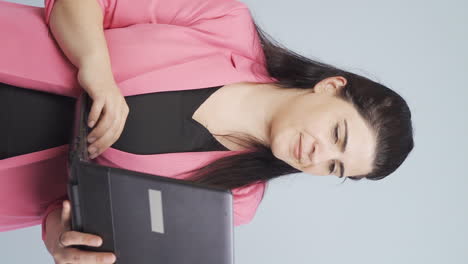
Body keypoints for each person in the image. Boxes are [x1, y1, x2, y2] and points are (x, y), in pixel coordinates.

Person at [0, 0, 414, 263]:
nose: (318, 155)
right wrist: (97, 68)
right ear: (331, 87)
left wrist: (63, 241)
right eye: (337, 134)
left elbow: (80, 211)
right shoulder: (223, 21)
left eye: (334, 166)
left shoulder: (232, 203)